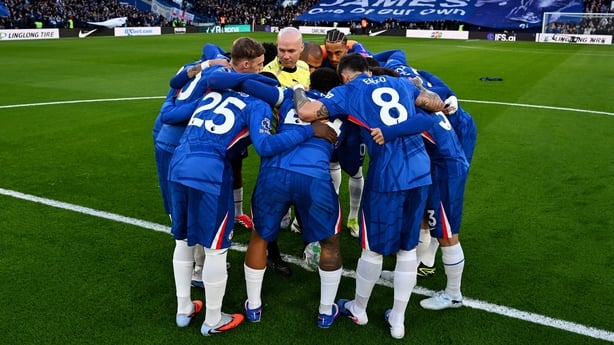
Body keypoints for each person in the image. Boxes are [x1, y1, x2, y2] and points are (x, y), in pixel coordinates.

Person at [293, 53, 446, 339]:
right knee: (407, 249)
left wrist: (298, 91)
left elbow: (307, 112)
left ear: (346, 75)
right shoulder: (398, 83)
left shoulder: (349, 89)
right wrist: (417, 85)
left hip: (388, 172)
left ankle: (359, 308)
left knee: (372, 248)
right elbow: (435, 103)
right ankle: (398, 319)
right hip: (419, 168)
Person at [169, 37, 315, 336]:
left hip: (179, 161)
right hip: (209, 172)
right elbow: (265, 146)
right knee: (215, 248)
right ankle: (212, 319)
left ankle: (184, 308)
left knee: (183, 241)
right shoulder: (259, 103)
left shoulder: (215, 86)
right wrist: (307, 132)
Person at [239, 67, 343, 328]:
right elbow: (350, 161)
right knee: (330, 242)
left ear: (310, 82)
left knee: (259, 237)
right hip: (315, 177)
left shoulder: (289, 95)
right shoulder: (343, 105)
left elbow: (250, 86)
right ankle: (324, 311)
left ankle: (253, 306)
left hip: (275, 172)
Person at [373, 49, 477, 276]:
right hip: (441, 153)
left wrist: (388, 132)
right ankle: (422, 262)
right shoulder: (406, 77)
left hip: (449, 157)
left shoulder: (408, 99)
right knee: (424, 210)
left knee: (445, 227)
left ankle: (452, 292)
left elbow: (428, 113)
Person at [260, 26, 312, 276]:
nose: (286, 55)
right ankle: (272, 254)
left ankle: (308, 244)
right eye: (282, 50)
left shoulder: (304, 68)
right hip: (277, 145)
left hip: (302, 142)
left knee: (304, 197)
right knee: (269, 203)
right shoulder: (268, 74)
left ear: (301, 48)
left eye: (291, 50)